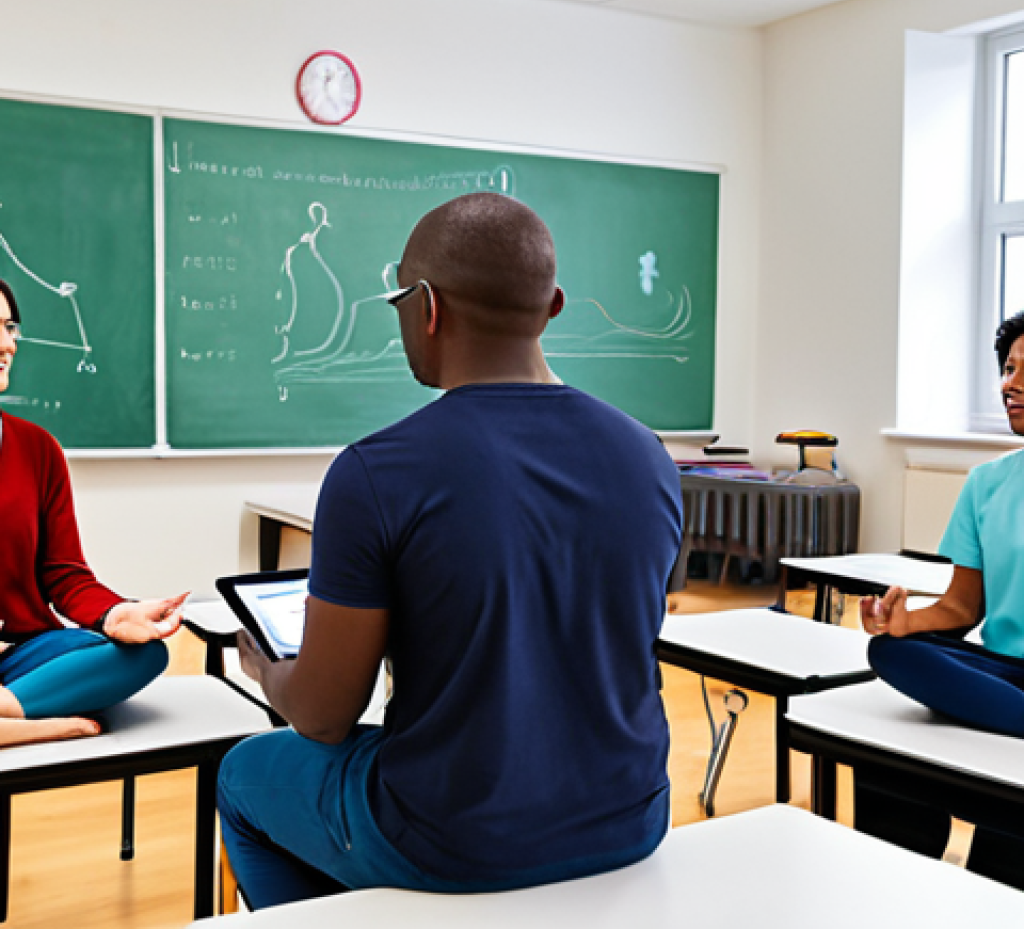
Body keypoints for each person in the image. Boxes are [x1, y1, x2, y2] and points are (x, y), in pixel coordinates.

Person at [217, 192, 682, 909]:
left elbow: (325, 716)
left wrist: (267, 670)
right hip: (632, 816)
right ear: (552, 306)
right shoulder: (647, 456)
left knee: (244, 775)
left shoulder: (376, 473)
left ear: (426, 306)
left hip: (452, 839)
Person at [857, 307, 1024, 888]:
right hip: (1003, 670)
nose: (1011, 384)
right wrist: (901, 623)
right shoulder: (987, 484)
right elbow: (962, 609)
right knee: (890, 656)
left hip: (999, 688)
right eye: (1007, 369)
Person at [0, 277, 186, 746]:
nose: (8, 344)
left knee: (143, 655)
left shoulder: (37, 449)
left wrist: (115, 615)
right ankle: (33, 720)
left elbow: (64, 576)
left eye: (10, 328)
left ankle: (11, 717)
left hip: (21, 651)